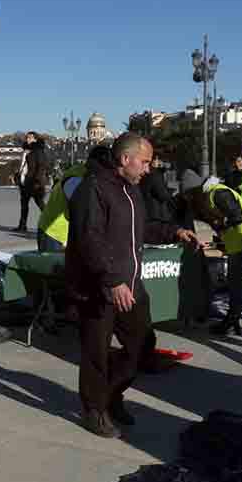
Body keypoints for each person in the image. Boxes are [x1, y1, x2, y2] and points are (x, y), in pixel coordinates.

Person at [65, 134, 201, 438]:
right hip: (98, 289)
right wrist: (112, 281)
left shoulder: (131, 190)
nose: (148, 169)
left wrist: (174, 232)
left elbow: (141, 229)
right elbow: (90, 240)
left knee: (140, 347)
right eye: (145, 161)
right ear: (125, 159)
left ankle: (112, 395)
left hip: (132, 287)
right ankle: (94, 410)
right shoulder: (93, 189)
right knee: (96, 354)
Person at [183, 168, 242, 335]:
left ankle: (231, 321)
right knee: (234, 279)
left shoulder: (218, 193)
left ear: (197, 190)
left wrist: (220, 226)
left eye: (190, 194)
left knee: (235, 280)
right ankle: (232, 321)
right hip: (237, 239)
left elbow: (237, 217)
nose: (190, 198)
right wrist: (218, 239)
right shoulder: (207, 197)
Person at [36, 145, 107, 252]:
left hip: (64, 233)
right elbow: (82, 204)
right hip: (54, 234)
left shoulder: (86, 175)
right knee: (52, 267)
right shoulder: (75, 178)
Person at [15, 131, 50, 233]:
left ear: (36, 139)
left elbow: (41, 167)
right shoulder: (26, 150)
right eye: (27, 137)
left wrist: (37, 181)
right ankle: (22, 225)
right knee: (24, 205)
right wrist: (19, 175)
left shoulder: (38, 151)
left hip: (34, 182)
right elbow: (23, 165)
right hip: (25, 181)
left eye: (30, 138)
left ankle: (52, 223)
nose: (28, 139)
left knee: (40, 204)